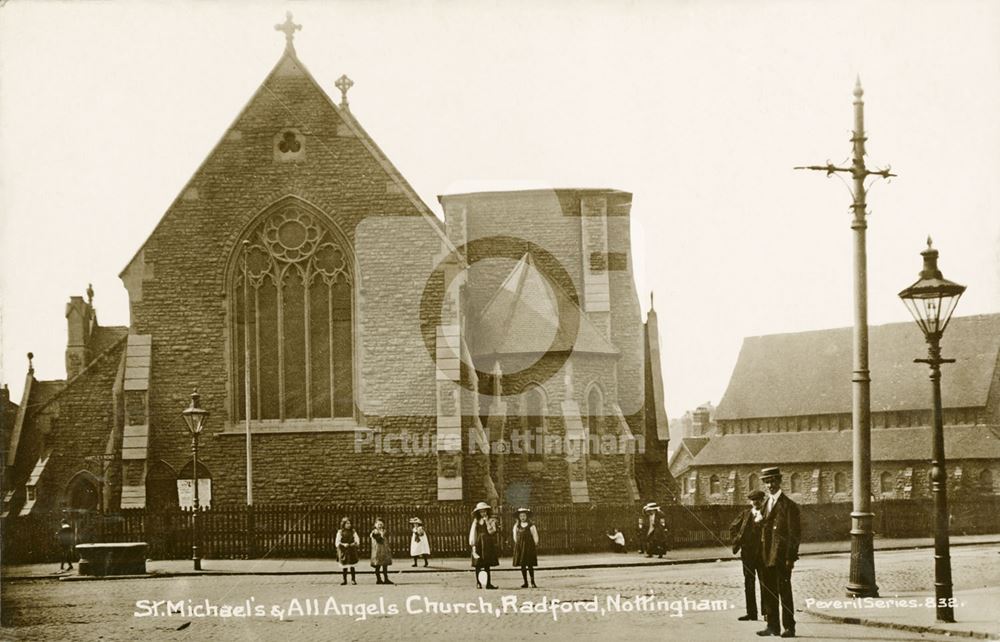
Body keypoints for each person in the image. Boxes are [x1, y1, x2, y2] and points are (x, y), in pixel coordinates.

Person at [756, 467, 800, 639]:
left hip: (781, 557)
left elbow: (794, 535)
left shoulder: (789, 506)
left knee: (784, 592)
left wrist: (790, 557)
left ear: (780, 481)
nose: (770, 485)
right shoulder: (766, 503)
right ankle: (772, 626)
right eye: (767, 482)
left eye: (773, 481)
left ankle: (789, 627)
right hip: (766, 556)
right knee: (769, 592)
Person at [730, 489, 766, 622]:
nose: (756, 502)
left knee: (765, 584)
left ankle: (767, 612)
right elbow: (733, 527)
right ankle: (751, 613)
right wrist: (739, 540)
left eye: (758, 500)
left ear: (763, 500)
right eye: (753, 500)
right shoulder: (745, 514)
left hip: (763, 554)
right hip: (748, 555)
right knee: (748, 583)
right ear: (751, 502)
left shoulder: (767, 514)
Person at [469, 501, 499, 589]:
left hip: (488, 543)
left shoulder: (491, 520)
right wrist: (473, 544)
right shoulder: (476, 521)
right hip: (478, 543)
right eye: (481, 511)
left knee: (487, 564)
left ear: (487, 511)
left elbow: (491, 532)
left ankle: (488, 583)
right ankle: (478, 583)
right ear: (478, 513)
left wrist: (486, 521)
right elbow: (473, 533)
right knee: (478, 564)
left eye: (484, 511)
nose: (483, 513)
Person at [511, 507, 539, 588]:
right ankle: (525, 582)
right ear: (519, 517)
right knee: (523, 565)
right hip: (520, 547)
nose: (522, 517)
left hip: (529, 547)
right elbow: (515, 536)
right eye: (521, 516)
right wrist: (518, 544)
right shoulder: (517, 526)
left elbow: (535, 535)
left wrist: (535, 543)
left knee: (530, 565)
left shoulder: (531, 525)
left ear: (527, 516)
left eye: (524, 516)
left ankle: (532, 582)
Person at [335, 516, 360, 585]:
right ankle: (344, 580)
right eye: (347, 523)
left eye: (349, 523)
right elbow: (337, 542)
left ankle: (353, 579)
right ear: (343, 524)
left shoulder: (353, 531)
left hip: (351, 550)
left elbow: (357, 540)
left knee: (352, 565)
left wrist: (354, 543)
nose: (349, 525)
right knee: (344, 566)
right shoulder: (340, 532)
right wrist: (343, 544)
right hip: (344, 550)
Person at [370, 517, 394, 585]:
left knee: (385, 565)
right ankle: (378, 579)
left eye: (381, 524)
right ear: (375, 525)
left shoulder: (384, 531)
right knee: (378, 566)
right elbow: (379, 540)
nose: (380, 526)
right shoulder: (374, 532)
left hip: (384, 550)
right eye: (378, 524)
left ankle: (386, 579)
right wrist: (382, 535)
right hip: (377, 551)